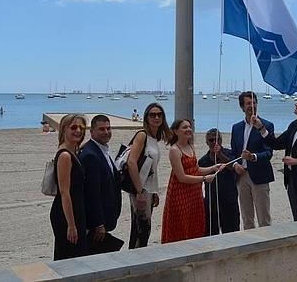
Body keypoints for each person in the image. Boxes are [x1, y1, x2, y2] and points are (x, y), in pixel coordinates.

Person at [161, 119, 222, 243]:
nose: (188, 129)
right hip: (180, 193)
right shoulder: (174, 150)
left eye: (189, 127)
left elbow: (196, 169)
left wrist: (212, 168)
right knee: (181, 224)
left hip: (194, 193)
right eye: (184, 127)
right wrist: (204, 179)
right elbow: (182, 177)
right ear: (176, 131)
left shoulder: (190, 146)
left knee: (194, 222)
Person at [127, 102, 171, 248]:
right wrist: (139, 191)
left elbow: (152, 170)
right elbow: (131, 162)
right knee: (140, 231)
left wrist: (154, 192)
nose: (156, 117)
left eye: (159, 114)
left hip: (148, 191)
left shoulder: (153, 138)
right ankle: (135, 265)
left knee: (144, 230)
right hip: (140, 190)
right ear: (146, 117)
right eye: (152, 115)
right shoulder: (142, 135)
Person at [80, 115, 124, 254]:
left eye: (108, 128)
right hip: (97, 222)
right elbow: (92, 193)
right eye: (101, 129)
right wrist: (98, 223)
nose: (106, 132)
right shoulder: (91, 155)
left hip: (107, 216)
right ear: (92, 132)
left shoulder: (102, 150)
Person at [231, 91, 274, 229]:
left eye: (254, 102)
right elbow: (233, 152)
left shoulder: (266, 125)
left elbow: (268, 152)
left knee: (264, 217)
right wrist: (235, 164)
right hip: (241, 176)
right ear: (242, 107)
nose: (252, 105)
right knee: (246, 217)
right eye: (248, 103)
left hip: (260, 175)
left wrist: (253, 157)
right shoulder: (236, 128)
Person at [50, 114, 88, 260]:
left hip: (75, 208)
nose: (78, 130)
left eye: (81, 128)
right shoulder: (65, 155)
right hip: (66, 213)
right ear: (64, 130)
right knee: (69, 256)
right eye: (73, 127)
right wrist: (71, 225)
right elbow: (64, 192)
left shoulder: (73, 151)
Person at [199, 128, 240, 235]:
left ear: (221, 141)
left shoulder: (229, 153)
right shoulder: (203, 161)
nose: (214, 143)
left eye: (217, 140)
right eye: (211, 140)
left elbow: (233, 167)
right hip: (211, 203)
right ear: (207, 142)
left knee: (232, 233)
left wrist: (220, 154)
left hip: (229, 201)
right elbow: (199, 180)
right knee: (211, 234)